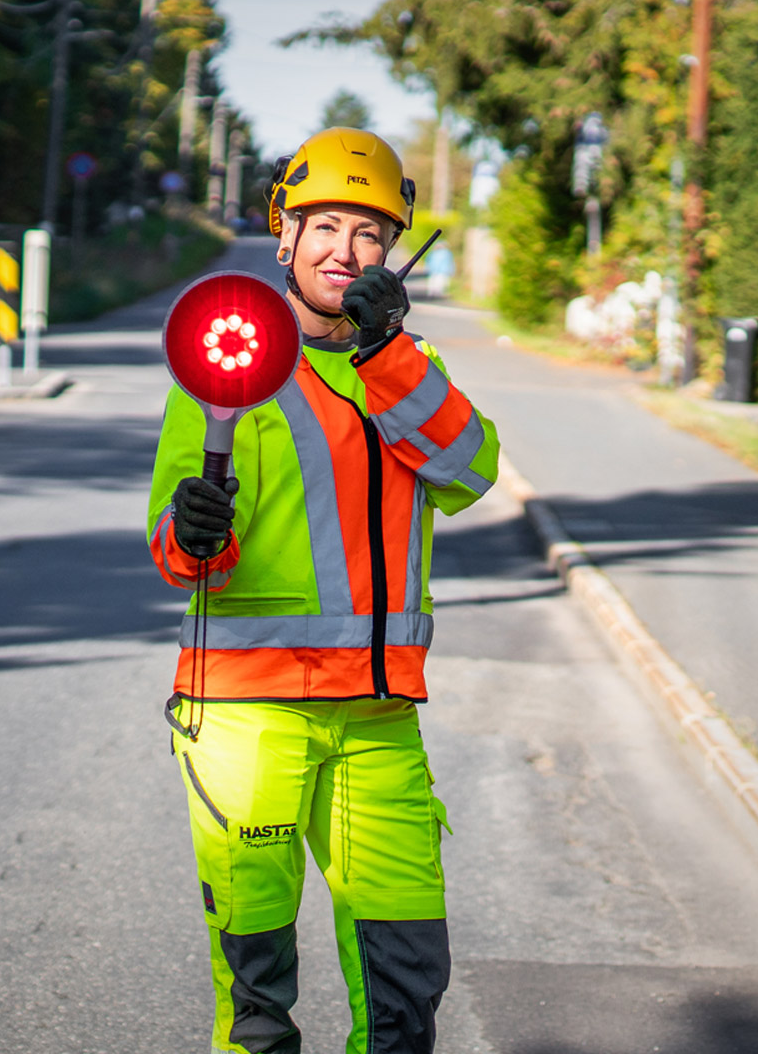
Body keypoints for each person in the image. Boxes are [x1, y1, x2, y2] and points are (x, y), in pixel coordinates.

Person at [146, 126, 500, 1054]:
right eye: (325, 226)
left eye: (369, 233)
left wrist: (387, 353)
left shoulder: (410, 371)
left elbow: (470, 471)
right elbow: (177, 558)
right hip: (246, 717)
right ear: (284, 238)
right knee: (259, 1000)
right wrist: (191, 533)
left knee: (404, 993)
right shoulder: (230, 370)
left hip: (379, 724)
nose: (345, 251)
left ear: (396, 249)